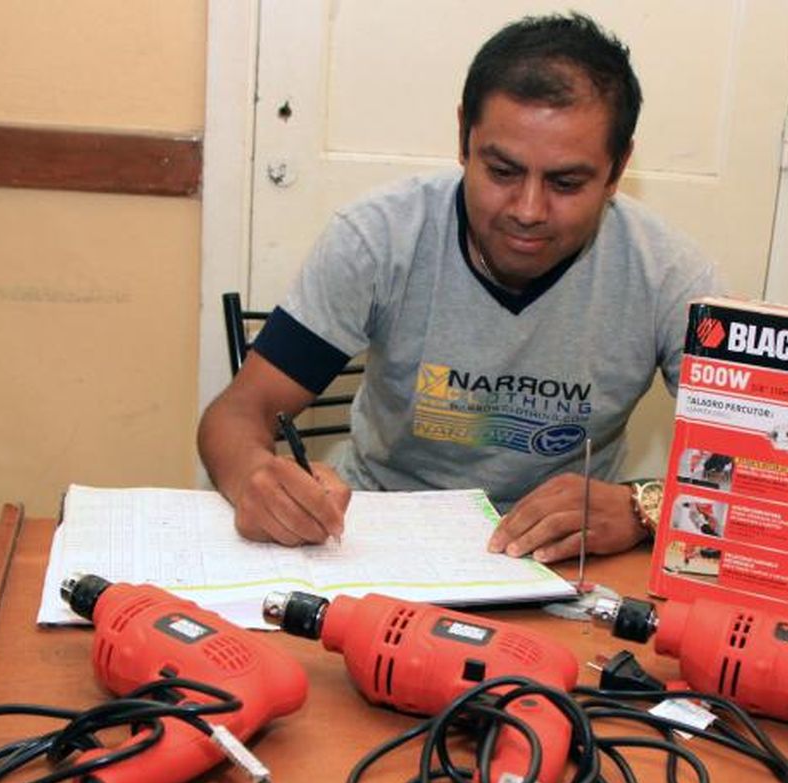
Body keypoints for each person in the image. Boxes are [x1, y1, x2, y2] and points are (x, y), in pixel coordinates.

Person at [198, 12, 721, 563]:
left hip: (567, 560)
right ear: (463, 141)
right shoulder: (378, 239)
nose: (528, 210)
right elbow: (236, 414)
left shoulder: (669, 276)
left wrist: (643, 508)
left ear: (617, 171)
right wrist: (257, 477)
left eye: (566, 183)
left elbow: (760, 475)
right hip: (375, 537)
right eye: (502, 171)